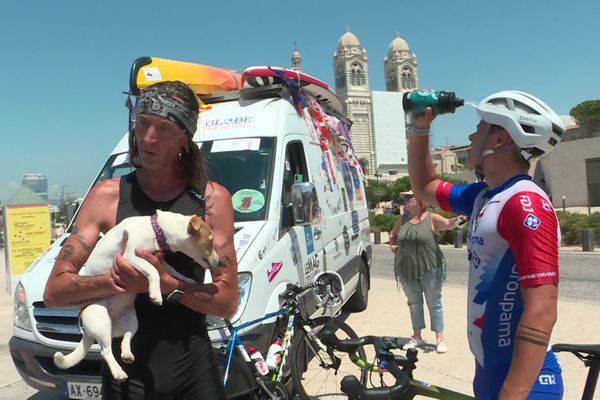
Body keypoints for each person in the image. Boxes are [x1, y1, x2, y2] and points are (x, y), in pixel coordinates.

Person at [43, 81, 238, 400]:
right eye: (143, 123)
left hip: (193, 372)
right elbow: (54, 293)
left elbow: (227, 302)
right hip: (126, 379)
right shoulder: (106, 197)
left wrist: (165, 284)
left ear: (185, 139)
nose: (147, 138)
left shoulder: (211, 201)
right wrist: (118, 281)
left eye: (163, 128)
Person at [406, 90, 565, 399]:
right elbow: (426, 188)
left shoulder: (525, 204)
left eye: (479, 128)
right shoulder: (485, 196)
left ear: (500, 138)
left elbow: (543, 310)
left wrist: (513, 393)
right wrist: (420, 128)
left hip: (524, 383)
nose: (470, 133)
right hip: (489, 371)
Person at [389, 190, 463, 354]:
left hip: (430, 268)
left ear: (421, 202)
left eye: (410, 197)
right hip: (407, 269)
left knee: (434, 303)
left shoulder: (432, 218)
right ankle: (417, 336)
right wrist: (393, 245)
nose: (406, 200)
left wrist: (462, 218)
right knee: (414, 303)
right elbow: (393, 235)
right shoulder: (402, 220)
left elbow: (449, 224)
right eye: (405, 198)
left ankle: (440, 338)